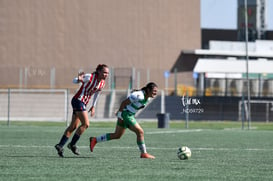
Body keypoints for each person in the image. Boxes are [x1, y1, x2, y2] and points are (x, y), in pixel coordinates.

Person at [89, 82, 158, 159]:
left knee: (117, 135)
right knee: (140, 132)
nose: (155, 93)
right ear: (148, 90)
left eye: (156, 91)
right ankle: (144, 153)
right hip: (126, 114)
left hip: (128, 115)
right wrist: (120, 113)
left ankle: (95, 140)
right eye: (154, 91)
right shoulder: (139, 95)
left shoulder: (147, 98)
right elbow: (124, 102)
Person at [55, 64, 109, 157]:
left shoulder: (102, 83)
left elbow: (97, 94)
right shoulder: (90, 77)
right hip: (78, 100)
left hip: (83, 103)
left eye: (107, 73)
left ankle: (60, 145)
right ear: (99, 71)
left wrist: (93, 106)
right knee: (86, 124)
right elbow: (74, 80)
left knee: (73, 126)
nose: (106, 74)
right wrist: (79, 79)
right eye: (104, 72)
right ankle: (72, 144)